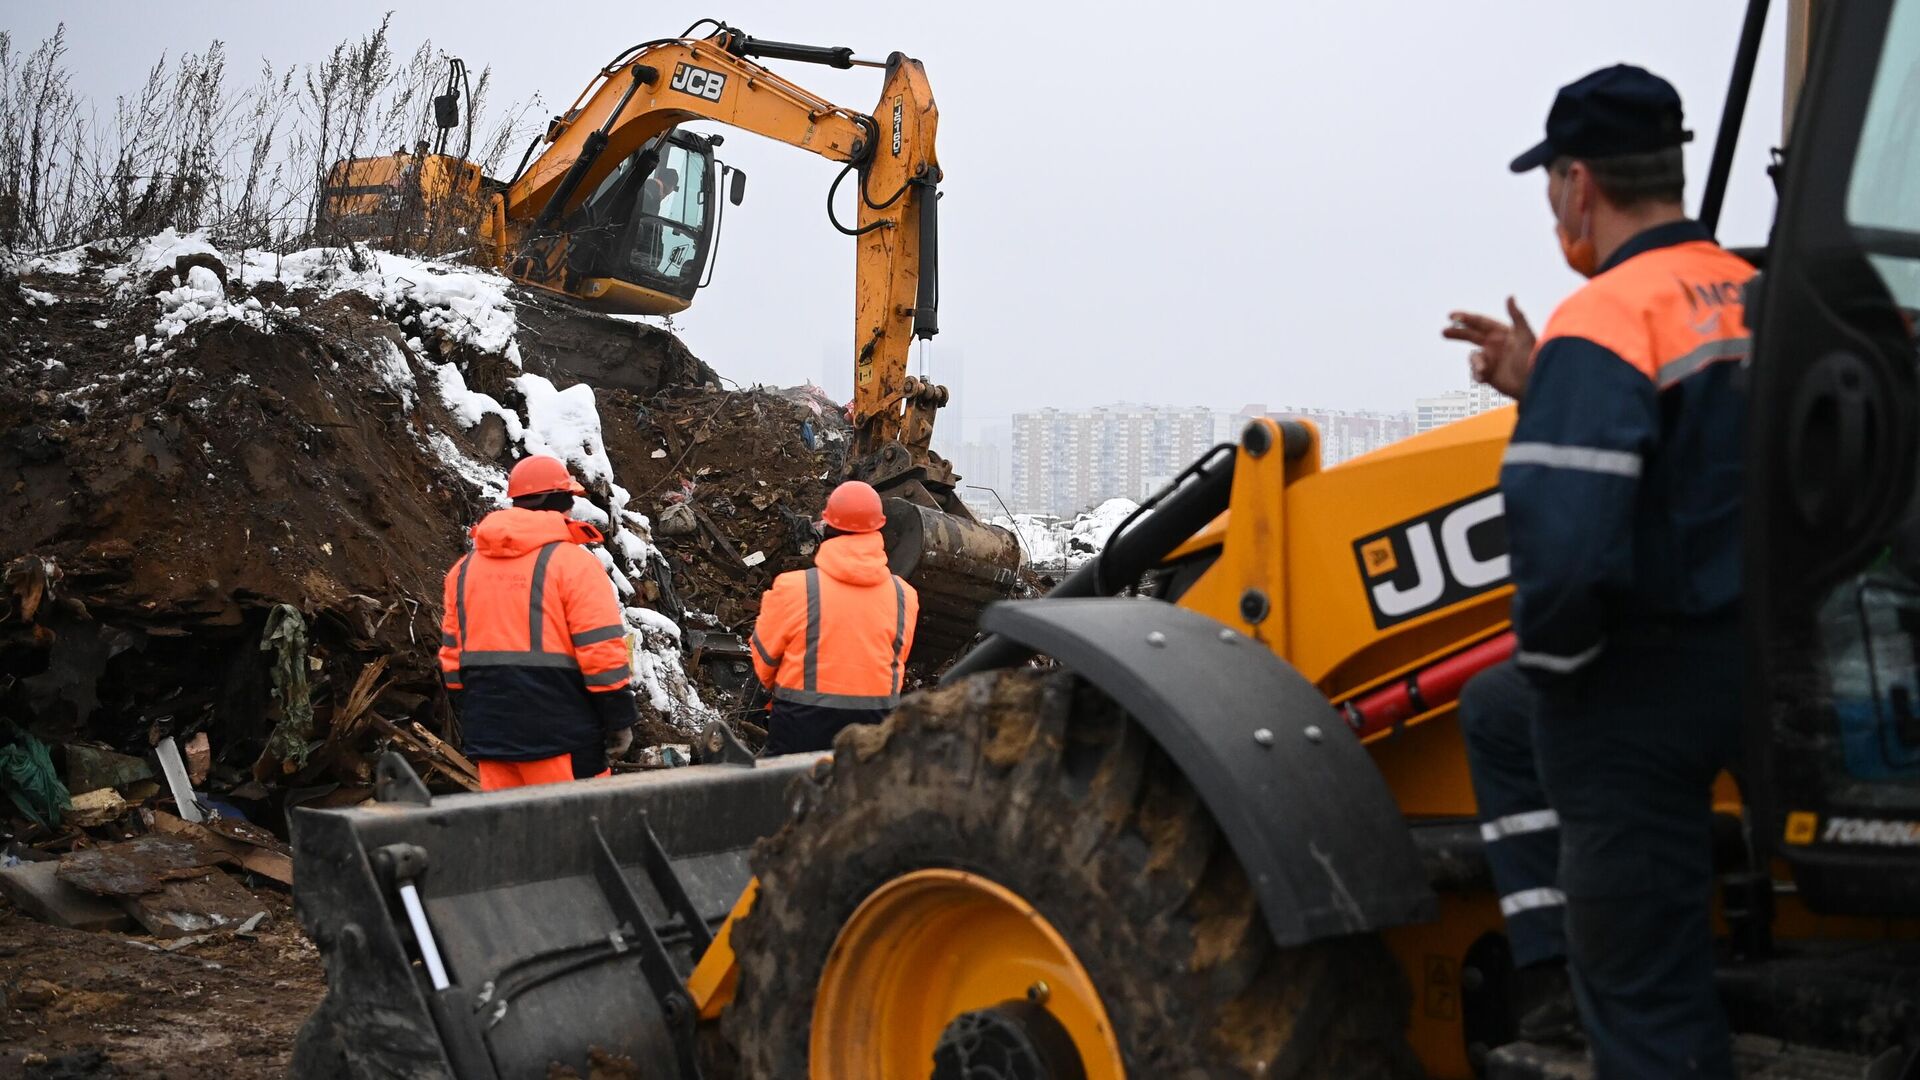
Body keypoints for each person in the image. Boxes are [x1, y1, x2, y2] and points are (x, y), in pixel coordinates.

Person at [1443, 65, 1754, 1077]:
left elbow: (1567, 552)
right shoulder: (1759, 294)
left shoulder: (1608, 320)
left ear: (1579, 185)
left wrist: (1570, 681)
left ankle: (1565, 982)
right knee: (1497, 707)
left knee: (1650, 1008)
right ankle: (1549, 964)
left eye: (1551, 190)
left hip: (1648, 691)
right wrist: (1548, 384)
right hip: (1778, 668)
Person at [439, 455, 638, 791]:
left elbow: (452, 662)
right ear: (563, 502)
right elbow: (601, 653)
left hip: (491, 734)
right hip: (562, 736)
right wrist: (619, 719)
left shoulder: (464, 570)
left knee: (512, 835)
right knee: (575, 833)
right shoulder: (574, 565)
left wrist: (481, 713)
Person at [751, 481, 918, 755]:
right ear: (878, 529)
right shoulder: (905, 595)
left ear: (827, 528)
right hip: (874, 732)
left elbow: (764, 659)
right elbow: (895, 664)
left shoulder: (793, 587)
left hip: (800, 727)